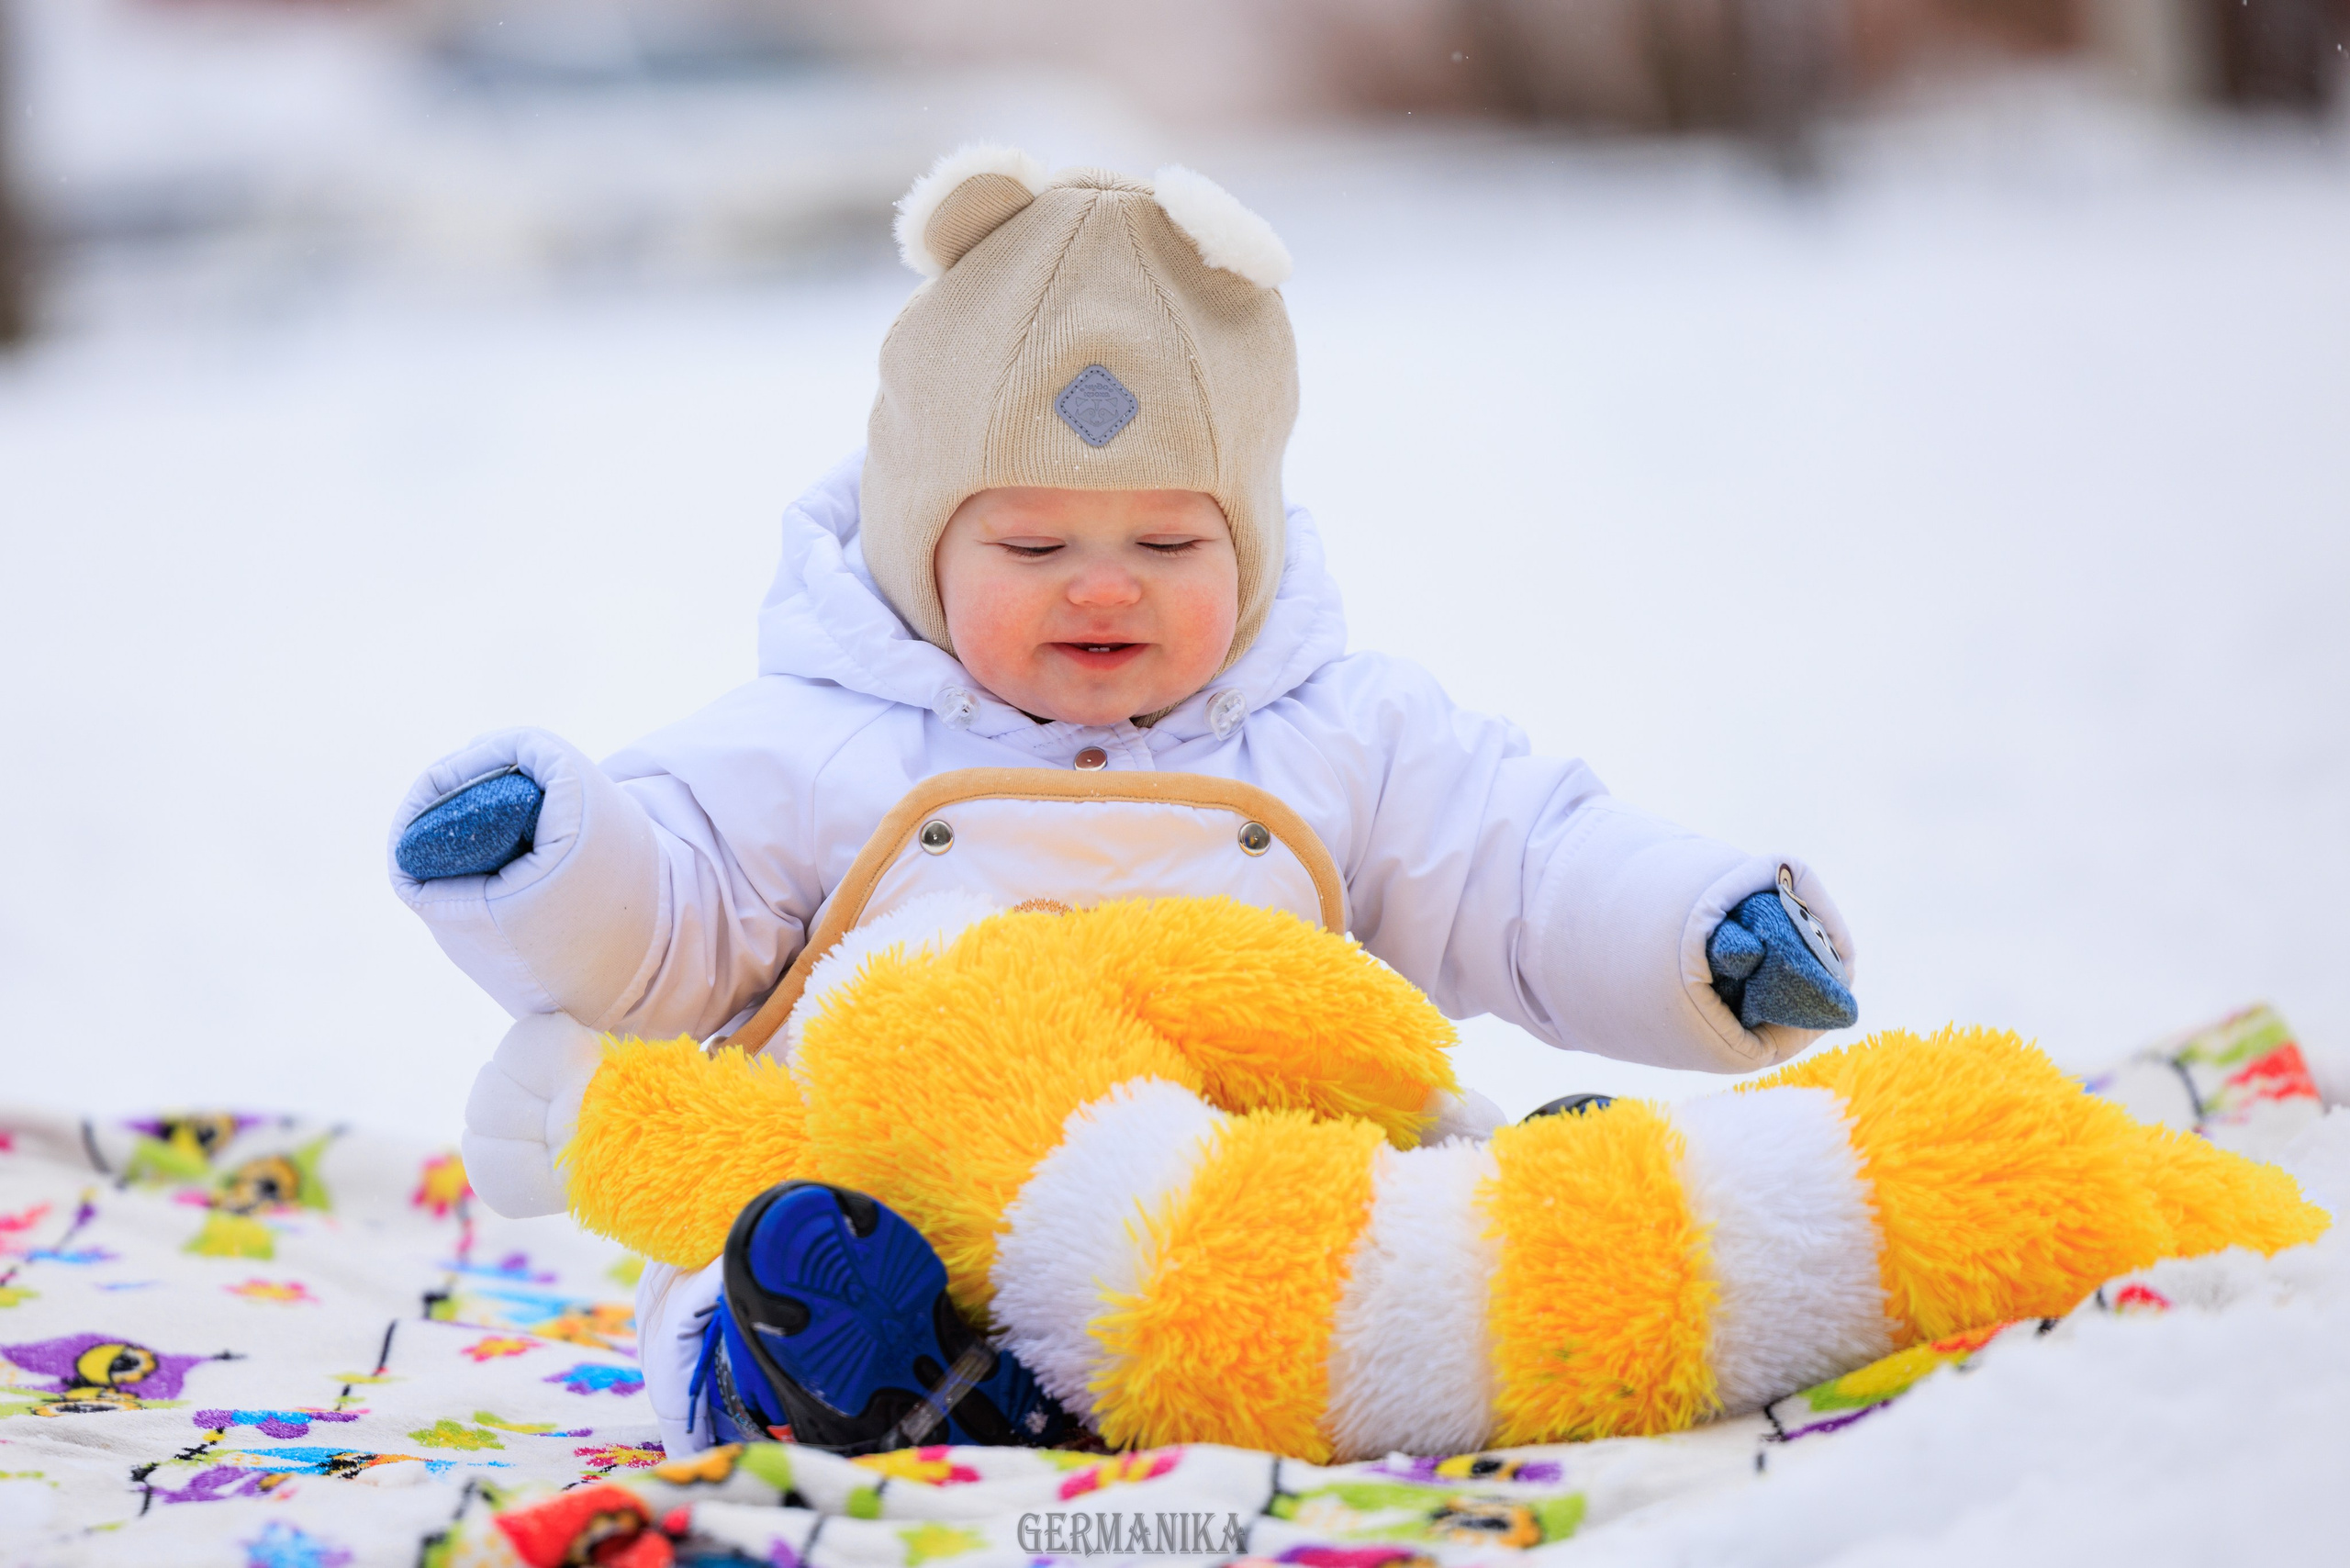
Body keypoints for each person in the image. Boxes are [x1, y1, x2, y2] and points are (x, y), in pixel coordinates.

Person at [388, 150, 1859, 1456]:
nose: (1104, 584)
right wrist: (552, 861)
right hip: (899, 1205)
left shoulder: (1339, 731)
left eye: (1168, 536)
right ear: (920, 550)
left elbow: (1522, 866)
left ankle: (1543, 1236)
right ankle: (833, 1370)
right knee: (758, 1266)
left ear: (1253, 544)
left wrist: (1696, 932)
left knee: (1420, 1208)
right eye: (1032, 543)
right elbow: (668, 917)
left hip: (1253, 1222)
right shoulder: (819, 744)